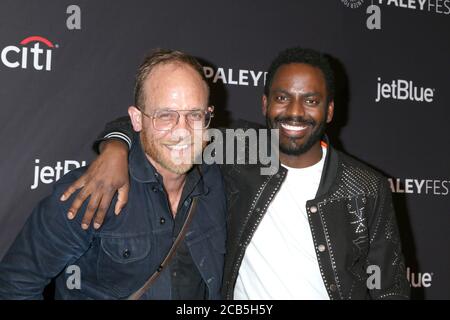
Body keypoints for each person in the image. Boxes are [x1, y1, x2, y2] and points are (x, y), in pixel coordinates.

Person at [60, 47, 410, 299]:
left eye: (312, 100)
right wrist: (115, 148)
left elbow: (390, 288)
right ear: (264, 104)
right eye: (283, 97)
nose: (295, 112)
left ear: (330, 110)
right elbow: (156, 125)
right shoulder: (242, 149)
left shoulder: (365, 186)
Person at [0, 49, 227, 299]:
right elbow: (14, 286)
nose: (183, 131)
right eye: (165, 116)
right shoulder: (93, 189)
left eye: (194, 115)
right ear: (137, 119)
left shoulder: (221, 181)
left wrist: (116, 140)